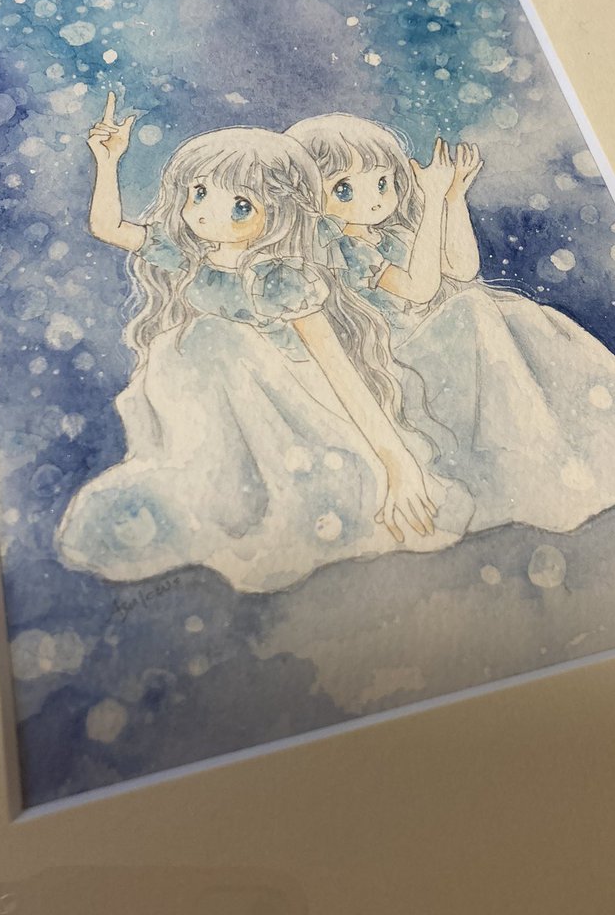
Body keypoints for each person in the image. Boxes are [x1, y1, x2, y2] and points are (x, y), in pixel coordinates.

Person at [55, 95, 472, 593]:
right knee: (203, 343)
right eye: (200, 194)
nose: (211, 214)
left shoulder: (282, 277)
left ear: (278, 213)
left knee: (216, 341)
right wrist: (107, 162)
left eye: (240, 206)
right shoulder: (189, 255)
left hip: (285, 397)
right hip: (205, 404)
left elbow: (337, 368)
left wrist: (399, 465)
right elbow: (108, 227)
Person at [287, 112, 615, 534]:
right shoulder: (343, 253)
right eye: (344, 189)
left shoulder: (387, 236)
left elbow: (461, 267)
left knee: (515, 313)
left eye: (382, 182)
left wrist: (453, 198)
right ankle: (545, 462)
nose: (373, 198)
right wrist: (431, 202)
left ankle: (611, 429)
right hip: (406, 364)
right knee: (474, 311)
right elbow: (420, 289)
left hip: (440, 344)